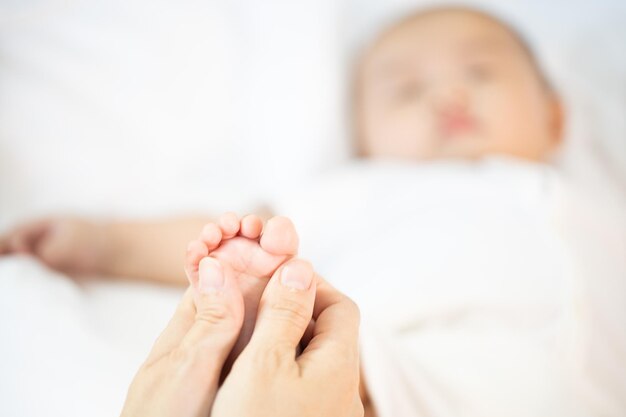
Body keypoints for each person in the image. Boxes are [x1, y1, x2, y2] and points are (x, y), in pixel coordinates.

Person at [0, 6, 565, 416]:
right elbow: (245, 227)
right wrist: (102, 244)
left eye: (481, 72)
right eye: (407, 90)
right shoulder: (364, 188)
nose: (449, 97)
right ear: (365, 137)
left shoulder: (566, 201)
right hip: (385, 356)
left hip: (515, 363)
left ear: (554, 117)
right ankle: (275, 336)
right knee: (302, 298)